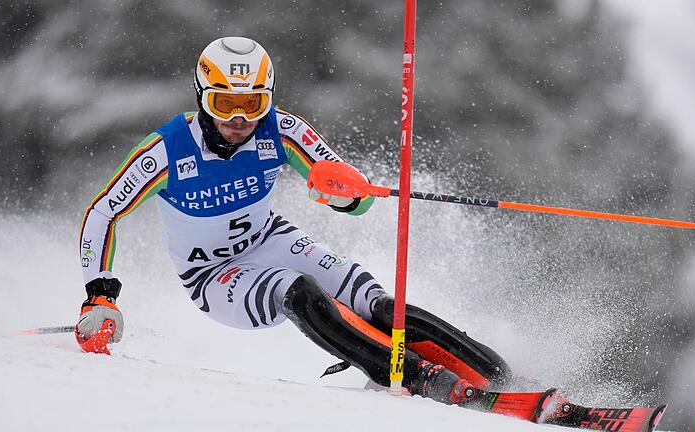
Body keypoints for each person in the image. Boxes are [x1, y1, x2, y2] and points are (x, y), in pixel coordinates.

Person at [76, 36, 510, 409]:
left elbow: (358, 201)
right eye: (224, 103)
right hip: (213, 274)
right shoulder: (167, 150)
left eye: (252, 103)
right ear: (201, 96)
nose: (239, 119)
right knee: (298, 290)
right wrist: (99, 296)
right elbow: (103, 212)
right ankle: (413, 378)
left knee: (375, 304)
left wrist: (346, 197)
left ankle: (504, 377)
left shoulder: (281, 130)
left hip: (270, 239)